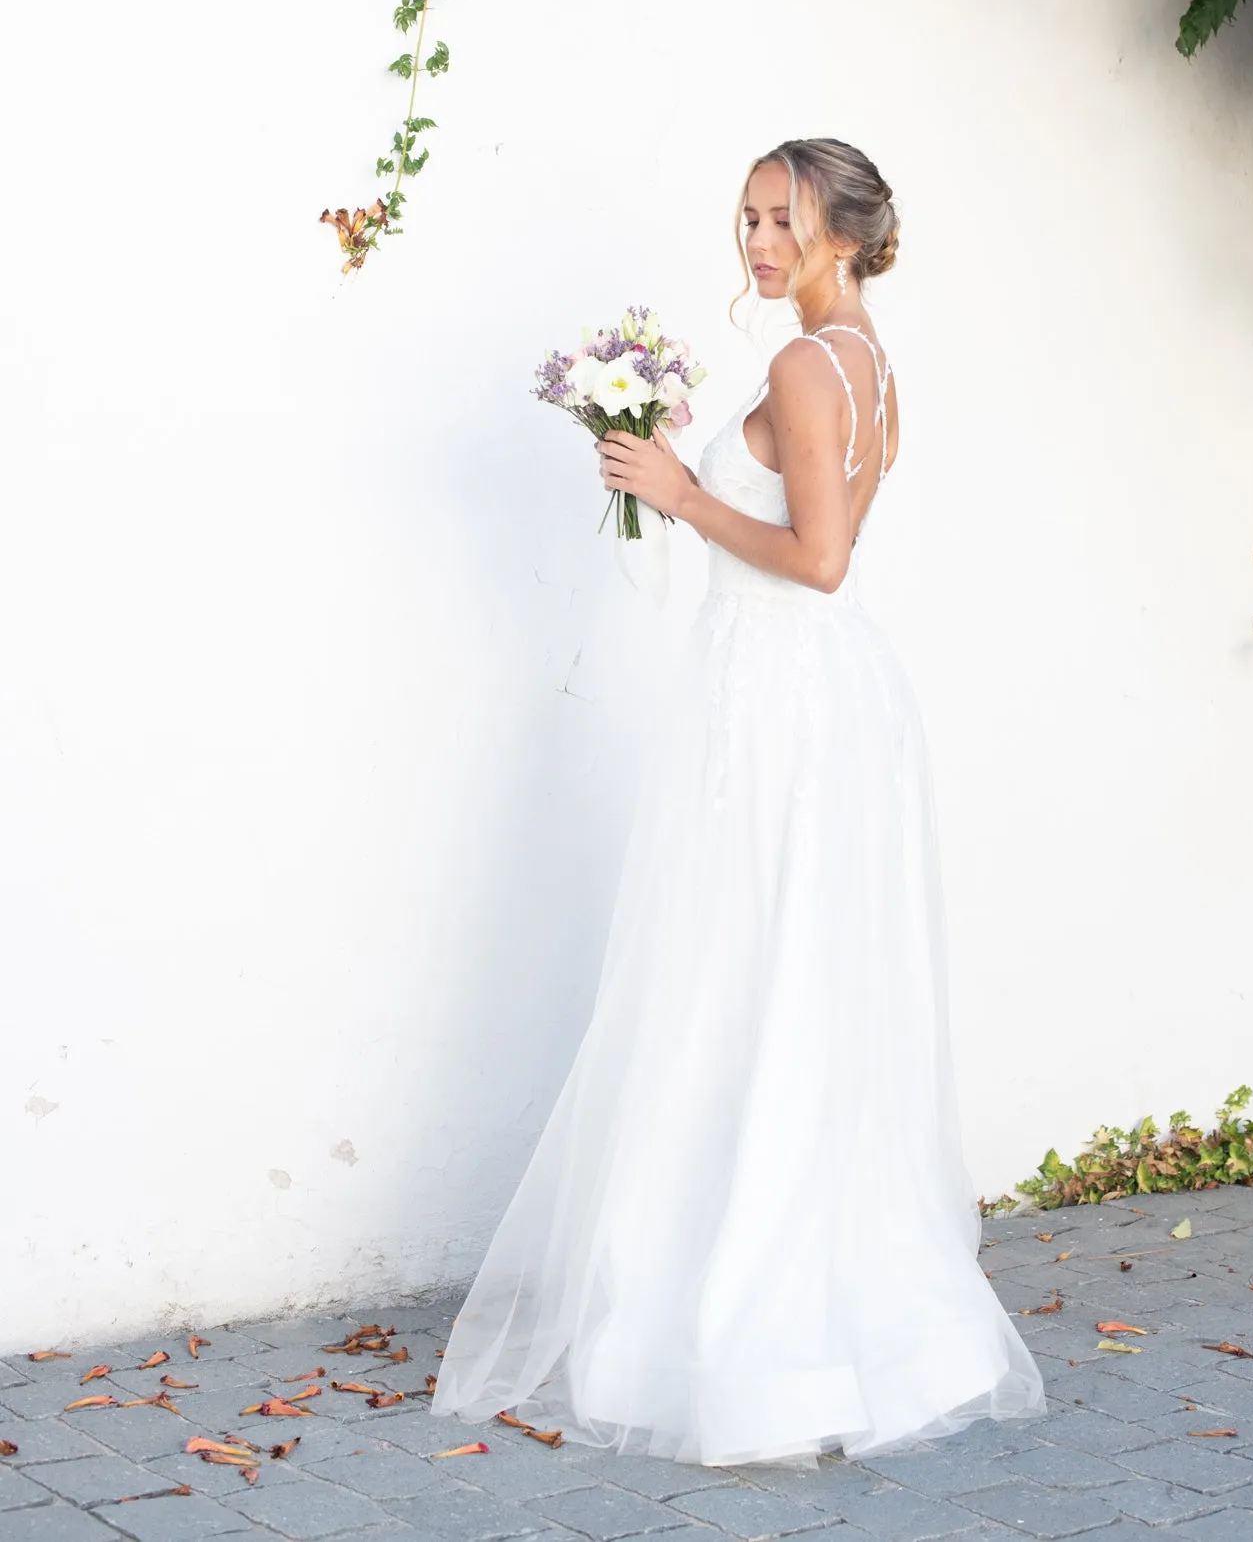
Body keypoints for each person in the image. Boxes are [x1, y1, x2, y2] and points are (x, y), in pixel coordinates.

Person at [431, 138, 1047, 1467]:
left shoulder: (802, 364)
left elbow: (816, 560)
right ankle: (810, 1301)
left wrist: (684, 493)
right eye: (748, 216)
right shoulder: (867, 361)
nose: (758, 240)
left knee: (743, 978)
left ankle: (752, 1328)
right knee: (789, 983)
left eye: (783, 217)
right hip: (812, 695)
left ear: (841, 227)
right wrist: (671, 476)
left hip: (781, 701)